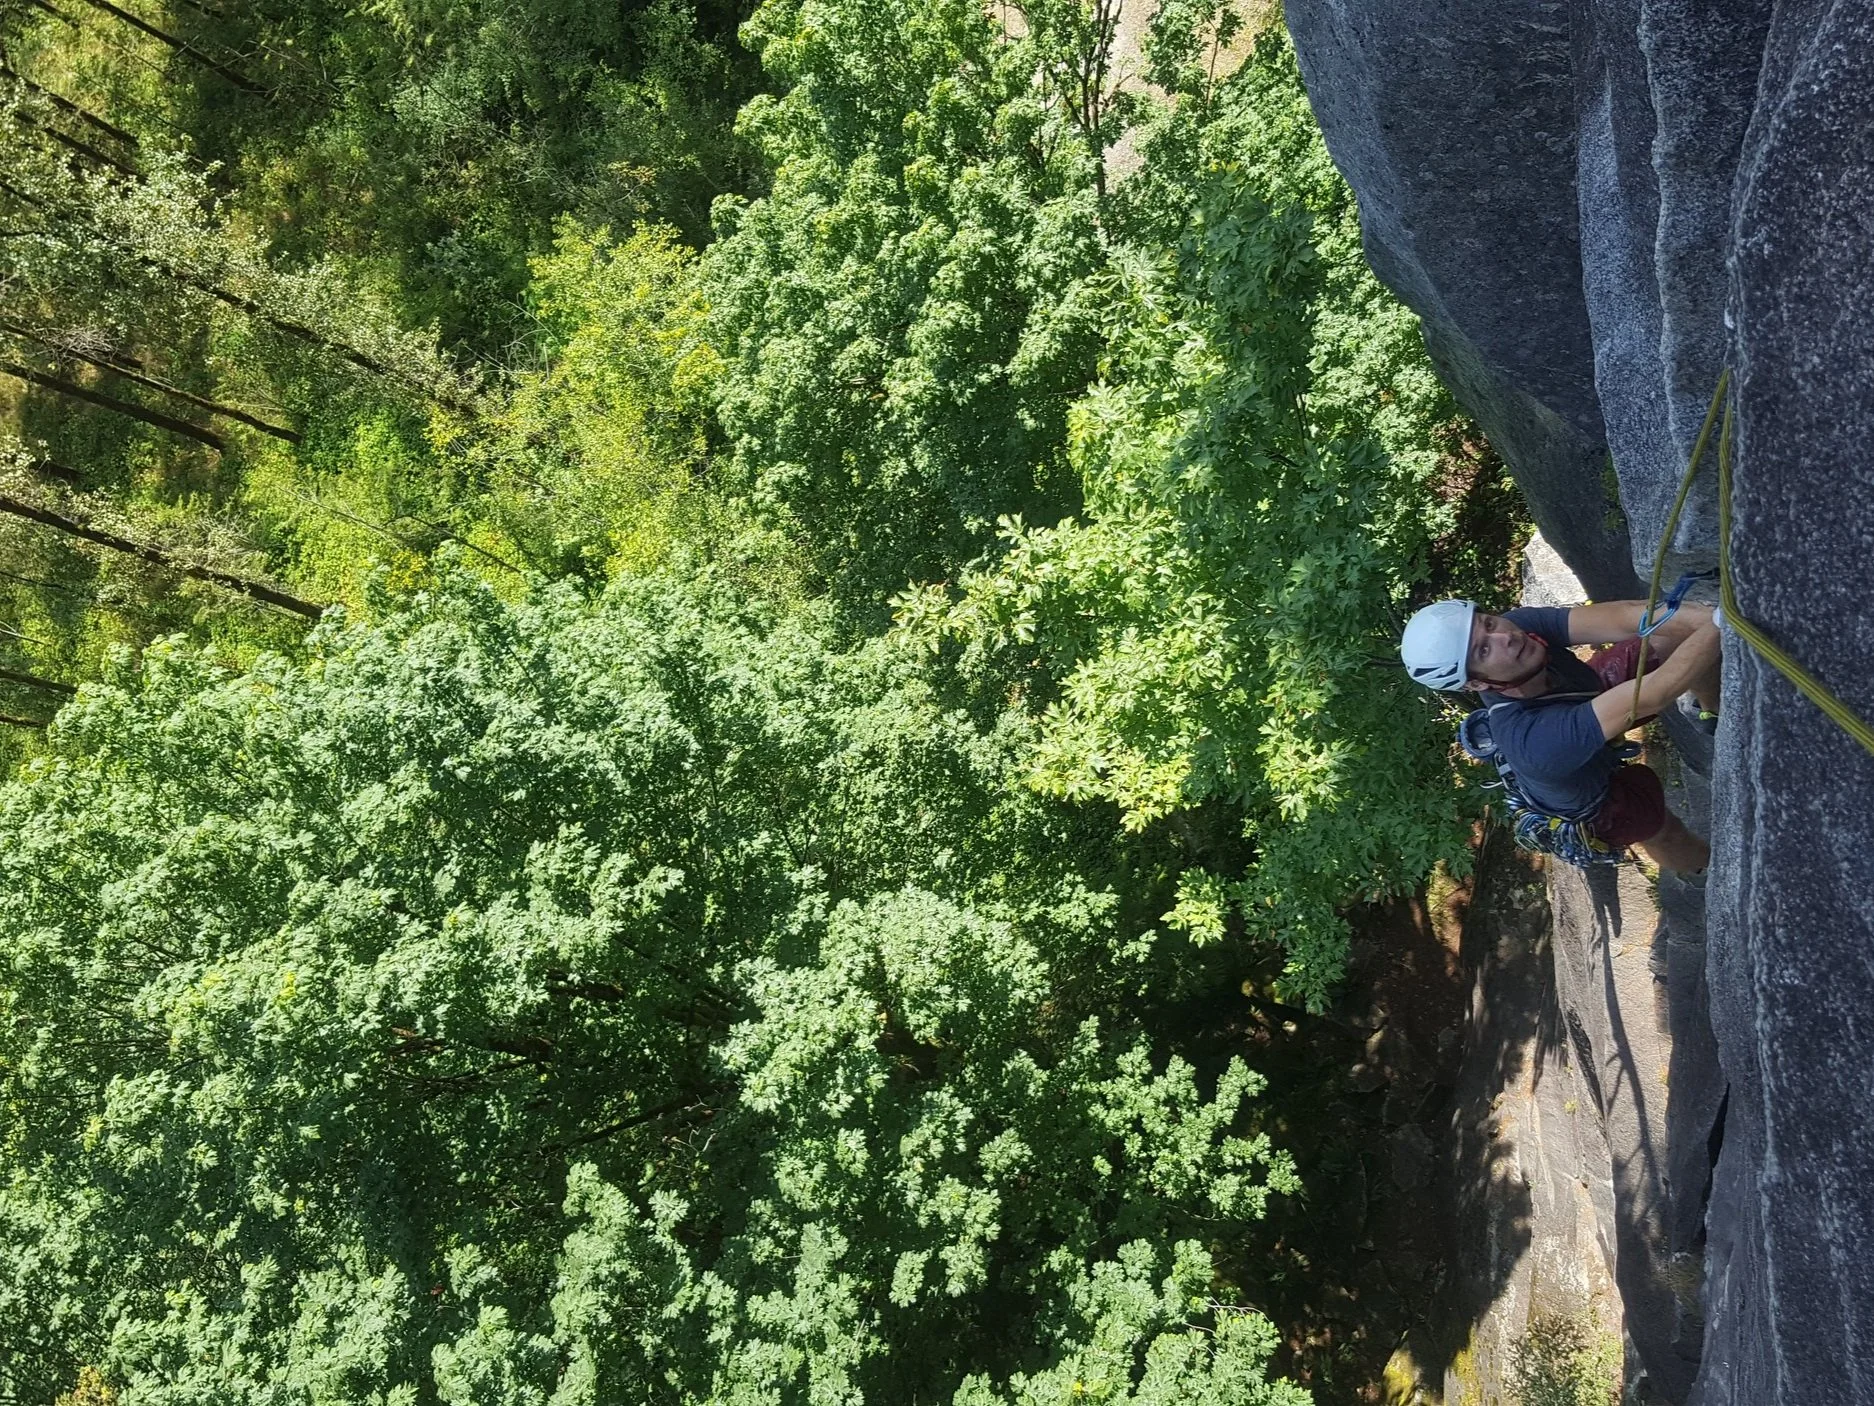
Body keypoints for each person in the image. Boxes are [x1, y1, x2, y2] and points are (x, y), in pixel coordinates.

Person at [1400, 596, 1724, 872]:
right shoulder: (1533, 741)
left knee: (1669, 635)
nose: (1503, 636)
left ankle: (1713, 713)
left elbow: (1625, 615)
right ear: (1476, 684)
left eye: (1486, 623)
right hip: (1596, 802)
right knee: (1663, 830)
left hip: (1584, 704)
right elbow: (1653, 692)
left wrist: (1707, 615)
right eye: (1483, 651)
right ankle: (1711, 873)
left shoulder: (1518, 632)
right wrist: (1723, 623)